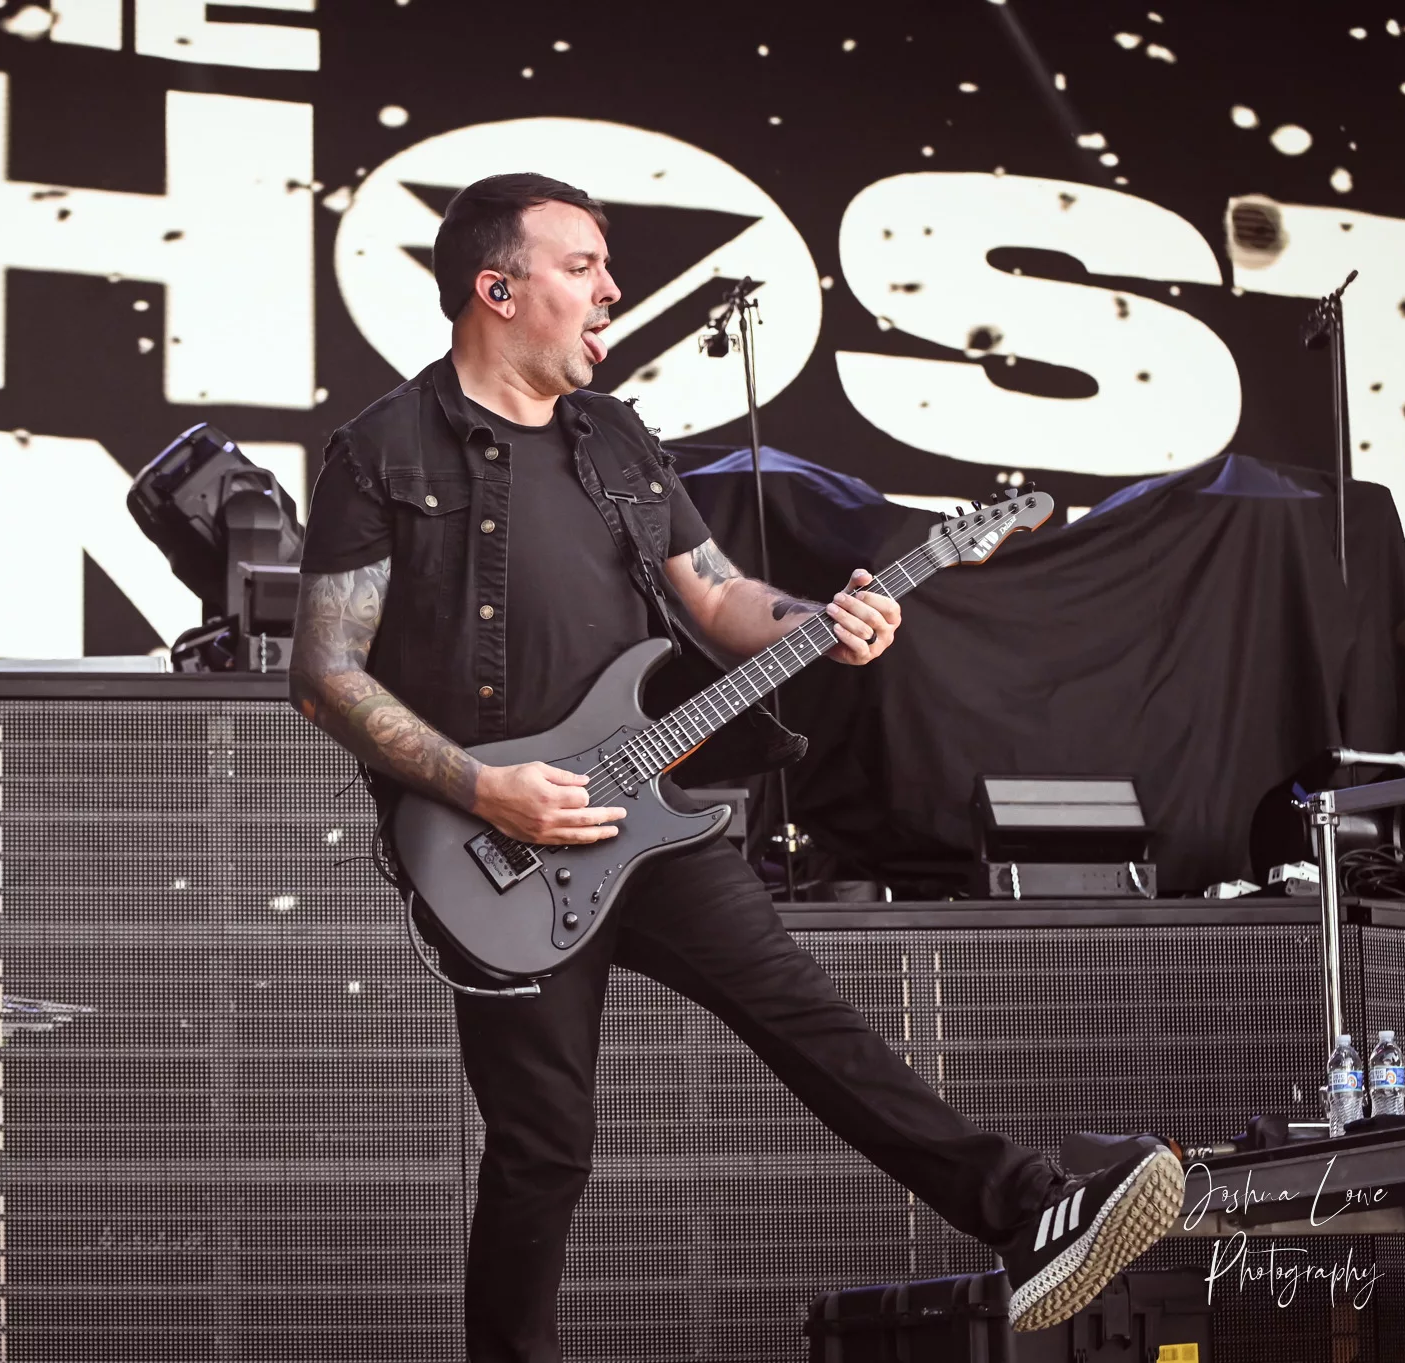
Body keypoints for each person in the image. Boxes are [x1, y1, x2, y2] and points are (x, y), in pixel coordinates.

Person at [288, 172, 1181, 1361]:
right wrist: (482, 787)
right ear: (495, 290)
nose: (611, 291)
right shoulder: (382, 450)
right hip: (494, 848)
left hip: (648, 818)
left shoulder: (613, 438)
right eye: (581, 267)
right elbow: (324, 673)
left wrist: (827, 620)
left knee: (806, 1013)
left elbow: (714, 599)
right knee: (544, 1146)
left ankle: (1026, 1210)